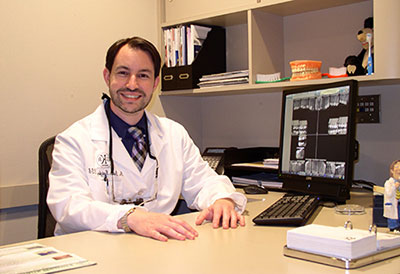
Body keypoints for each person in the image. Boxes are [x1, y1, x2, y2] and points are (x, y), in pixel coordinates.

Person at [47, 36, 247, 242]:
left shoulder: (173, 134)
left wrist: (222, 199)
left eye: (143, 75)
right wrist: (128, 217)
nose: (132, 85)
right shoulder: (73, 140)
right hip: (92, 251)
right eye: (123, 73)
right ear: (107, 77)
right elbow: (68, 206)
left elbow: (204, 182)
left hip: (156, 250)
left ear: (155, 83)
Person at [383, 160, 400, 232]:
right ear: (392, 171)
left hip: (398, 204)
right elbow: (389, 194)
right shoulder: (388, 183)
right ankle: (393, 229)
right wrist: (394, 187)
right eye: (397, 169)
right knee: (393, 219)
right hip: (392, 204)